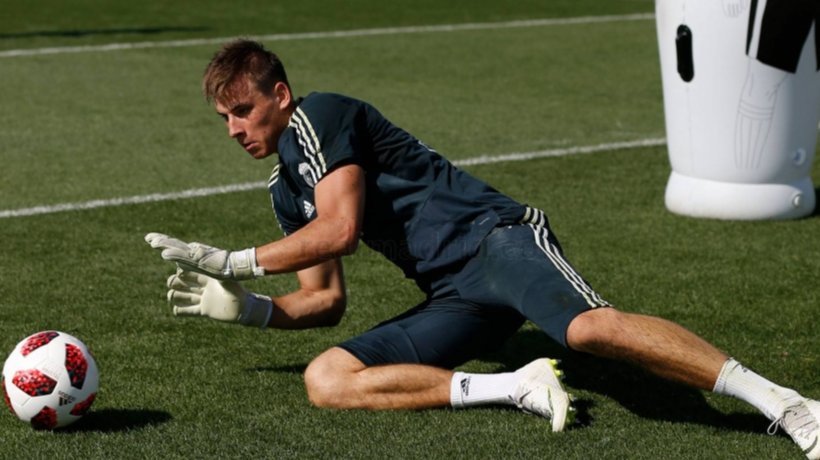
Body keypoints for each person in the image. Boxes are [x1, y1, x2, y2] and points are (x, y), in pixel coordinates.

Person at [145, 39, 819, 457]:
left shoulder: (318, 118)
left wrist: (235, 261)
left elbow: (341, 230)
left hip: (496, 240)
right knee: (326, 379)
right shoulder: (284, 189)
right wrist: (251, 309)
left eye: (242, 110)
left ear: (280, 95)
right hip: (454, 292)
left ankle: (786, 404)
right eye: (224, 119)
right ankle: (515, 386)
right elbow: (323, 301)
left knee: (587, 329)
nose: (234, 128)